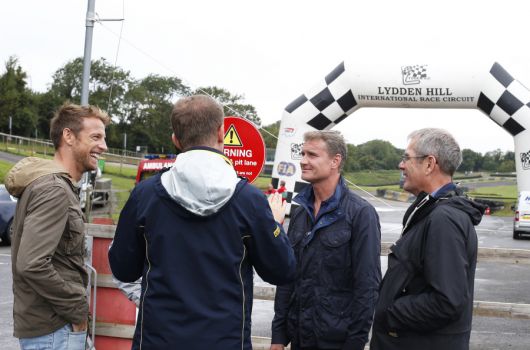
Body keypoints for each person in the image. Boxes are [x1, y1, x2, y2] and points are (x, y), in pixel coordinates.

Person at [108, 94, 296, 350]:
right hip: (225, 341)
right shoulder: (249, 200)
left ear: (175, 139)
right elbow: (282, 270)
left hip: (159, 340)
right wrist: (275, 224)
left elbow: (123, 269)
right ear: (221, 133)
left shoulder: (145, 195)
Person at [370, 128, 486, 350]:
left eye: (406, 158)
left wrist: (389, 311)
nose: (401, 165)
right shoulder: (431, 210)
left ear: (430, 164)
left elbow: (447, 301)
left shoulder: (444, 219)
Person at [6, 103, 109, 349]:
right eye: (95, 137)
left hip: (53, 330)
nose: (104, 146)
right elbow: (32, 263)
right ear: (68, 136)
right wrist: (77, 309)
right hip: (55, 330)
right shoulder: (54, 189)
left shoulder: (56, 186)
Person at [271, 130, 382, 350]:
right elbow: (288, 278)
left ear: (335, 161)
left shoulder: (361, 214)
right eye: (302, 154)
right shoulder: (301, 211)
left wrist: (355, 344)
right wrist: (279, 335)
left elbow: (367, 287)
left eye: (312, 155)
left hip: (337, 341)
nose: (303, 161)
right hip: (299, 339)